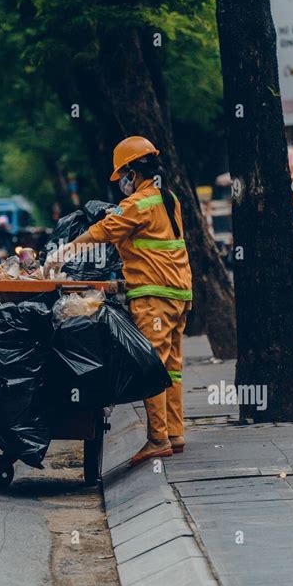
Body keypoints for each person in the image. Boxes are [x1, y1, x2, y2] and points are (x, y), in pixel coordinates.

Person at [44, 136, 192, 465]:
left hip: (154, 292)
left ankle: (158, 439)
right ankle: (175, 432)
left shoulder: (137, 204)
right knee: (172, 367)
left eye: (122, 175)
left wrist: (63, 252)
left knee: (152, 366)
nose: (122, 182)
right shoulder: (169, 199)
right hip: (180, 292)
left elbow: (104, 231)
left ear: (131, 172)